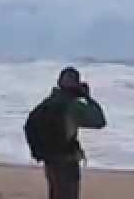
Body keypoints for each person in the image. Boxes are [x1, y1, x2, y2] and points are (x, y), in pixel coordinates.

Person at [25, 67, 107, 199]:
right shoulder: (72, 106)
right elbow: (99, 121)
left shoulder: (48, 103)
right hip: (67, 160)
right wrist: (88, 97)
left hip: (50, 158)